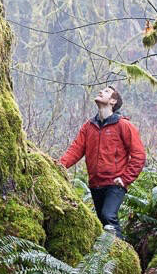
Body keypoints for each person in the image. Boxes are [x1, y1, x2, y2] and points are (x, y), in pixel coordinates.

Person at [58, 85, 146, 239]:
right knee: (101, 222)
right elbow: (75, 150)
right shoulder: (88, 126)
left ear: (113, 101)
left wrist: (125, 179)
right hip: (95, 184)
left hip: (115, 184)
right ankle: (107, 257)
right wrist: (58, 166)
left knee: (108, 216)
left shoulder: (123, 125)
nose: (100, 92)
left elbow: (139, 155)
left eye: (106, 91)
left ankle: (121, 255)